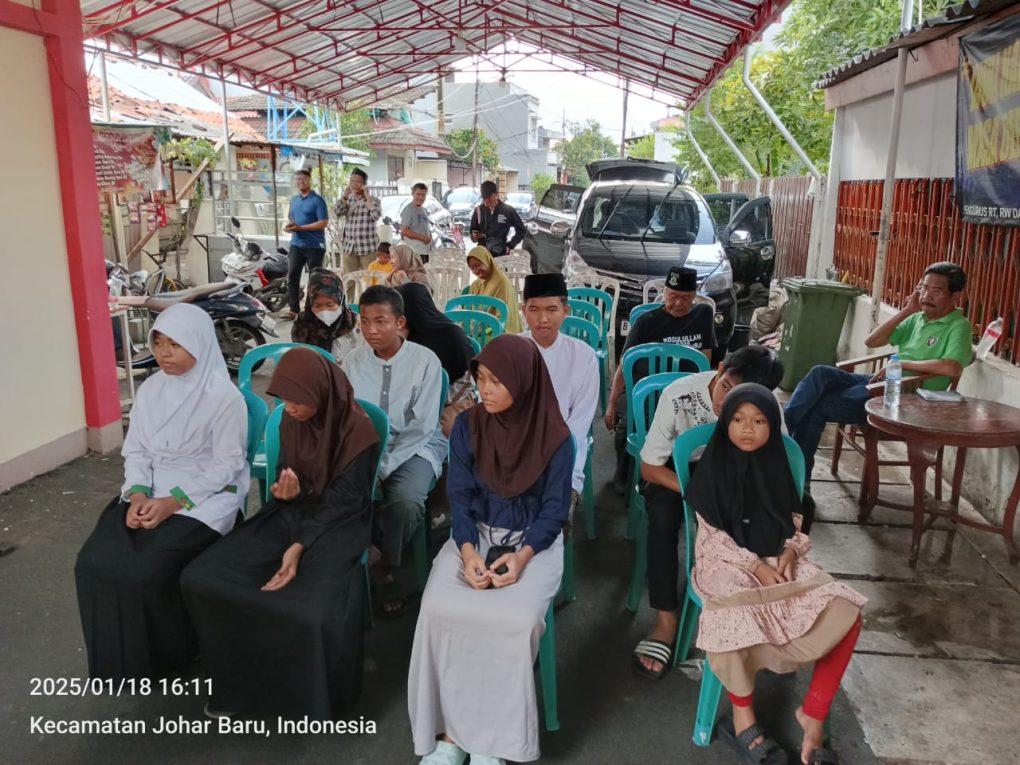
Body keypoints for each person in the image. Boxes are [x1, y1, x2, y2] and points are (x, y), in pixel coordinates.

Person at [181, 348, 380, 720]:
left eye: (297, 400)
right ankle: (237, 683)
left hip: (339, 522)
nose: (289, 408)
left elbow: (344, 501)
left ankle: (306, 700)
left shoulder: (359, 432)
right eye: (284, 399)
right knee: (203, 577)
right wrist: (288, 490)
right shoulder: (291, 418)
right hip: (292, 513)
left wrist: (298, 546)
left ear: (321, 391)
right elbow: (292, 476)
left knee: (311, 607)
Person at [408, 335, 572, 765]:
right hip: (475, 533)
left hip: (535, 542)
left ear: (524, 381)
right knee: (439, 608)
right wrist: (467, 552)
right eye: (480, 378)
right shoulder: (468, 426)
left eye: (497, 381)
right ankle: (448, 735)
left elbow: (555, 511)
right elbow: (460, 497)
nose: (485, 389)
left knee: (514, 620)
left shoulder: (555, 437)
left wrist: (522, 557)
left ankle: (490, 741)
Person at [686, 384, 866, 765]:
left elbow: (793, 522)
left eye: (758, 421)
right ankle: (742, 717)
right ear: (725, 422)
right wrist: (756, 567)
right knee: (732, 615)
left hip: (776, 555)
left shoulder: (777, 467)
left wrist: (789, 551)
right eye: (738, 419)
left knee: (843, 608)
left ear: (772, 426)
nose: (747, 428)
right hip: (727, 561)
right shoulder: (713, 466)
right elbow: (711, 537)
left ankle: (813, 714)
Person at [74, 304, 248, 680]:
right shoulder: (152, 389)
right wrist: (138, 495)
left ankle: (167, 658)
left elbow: (227, 465)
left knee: (143, 571)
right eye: (159, 343)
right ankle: (117, 662)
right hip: (151, 489)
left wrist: (173, 503)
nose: (164, 353)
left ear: (199, 344)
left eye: (175, 344)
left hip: (205, 497)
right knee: (92, 562)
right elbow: (137, 449)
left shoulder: (223, 398)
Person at [632, 346, 784, 679]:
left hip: (731, 475)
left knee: (771, 516)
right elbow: (649, 469)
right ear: (720, 367)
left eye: (740, 397)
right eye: (726, 385)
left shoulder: (768, 409)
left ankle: (746, 613)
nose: (725, 401)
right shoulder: (678, 396)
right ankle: (665, 621)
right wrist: (703, 496)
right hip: (675, 472)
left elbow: (777, 466)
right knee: (663, 517)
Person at [785, 261, 972, 522]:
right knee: (820, 373)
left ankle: (797, 480)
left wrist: (904, 363)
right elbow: (872, 341)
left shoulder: (958, 326)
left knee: (816, 408)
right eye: (924, 288)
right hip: (882, 383)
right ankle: (787, 427)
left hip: (905, 398)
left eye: (937, 291)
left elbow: (951, 367)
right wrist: (907, 310)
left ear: (954, 296)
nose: (927, 295)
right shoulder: (917, 318)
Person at [343, 285, 447, 616]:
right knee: (337, 490)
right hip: (367, 444)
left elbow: (423, 425)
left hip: (417, 445)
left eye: (381, 321)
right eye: (364, 321)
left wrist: (383, 466)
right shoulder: (353, 361)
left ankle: (387, 564)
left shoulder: (425, 361)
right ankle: (352, 560)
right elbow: (347, 416)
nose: (371, 330)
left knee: (405, 499)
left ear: (400, 322)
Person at [604, 266, 716, 492]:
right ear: (664, 292)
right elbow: (625, 365)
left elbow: (705, 362)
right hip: (646, 394)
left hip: (685, 395)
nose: (678, 303)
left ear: (695, 296)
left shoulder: (703, 315)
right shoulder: (646, 322)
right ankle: (623, 474)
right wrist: (612, 403)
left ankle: (680, 476)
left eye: (686, 298)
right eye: (673, 296)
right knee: (628, 426)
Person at [520, 272, 600, 518]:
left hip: (564, 454)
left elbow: (580, 422)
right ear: (523, 311)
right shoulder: (508, 351)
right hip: (514, 452)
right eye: (534, 310)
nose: (543, 319)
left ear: (565, 311)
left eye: (552, 309)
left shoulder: (583, 356)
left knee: (549, 516)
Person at [396, 282, 476, 436]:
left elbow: (466, 382)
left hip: (453, 400)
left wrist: (433, 404)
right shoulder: (407, 335)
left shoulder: (452, 335)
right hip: (413, 402)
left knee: (442, 430)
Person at [281, 168, 329, 319]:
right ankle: (294, 310)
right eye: (298, 179)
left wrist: (301, 228)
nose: (301, 182)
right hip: (296, 244)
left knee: (314, 280)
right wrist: (290, 227)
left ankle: (312, 311)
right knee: (292, 276)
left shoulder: (317, 200)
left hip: (315, 246)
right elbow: (292, 219)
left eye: (304, 179)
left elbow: (323, 222)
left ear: (310, 180)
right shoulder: (294, 200)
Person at [290, 267, 361, 363]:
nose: (324, 310)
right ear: (310, 304)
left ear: (340, 301)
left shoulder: (355, 323)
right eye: (317, 306)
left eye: (330, 305)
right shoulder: (302, 324)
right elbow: (299, 356)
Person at [466, 245, 522, 333]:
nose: (475, 270)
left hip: (498, 331)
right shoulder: (476, 285)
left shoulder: (502, 283)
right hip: (476, 332)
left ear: (487, 261)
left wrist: (480, 332)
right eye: (472, 268)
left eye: (477, 265)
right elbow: (469, 313)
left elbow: (502, 319)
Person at [336, 167, 381, 274]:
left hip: (367, 247)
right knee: (349, 279)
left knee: (369, 278)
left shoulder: (374, 200)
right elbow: (338, 213)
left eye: (358, 182)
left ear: (364, 184)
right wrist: (345, 197)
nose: (354, 184)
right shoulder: (347, 199)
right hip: (349, 247)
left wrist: (367, 197)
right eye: (352, 181)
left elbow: (376, 215)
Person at [469, 180, 526, 258]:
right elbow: (472, 236)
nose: (486, 201)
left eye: (489, 197)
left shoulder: (507, 210)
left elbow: (522, 230)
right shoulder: (478, 210)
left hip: (501, 253)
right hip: (482, 255)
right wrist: (474, 236)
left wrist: (510, 245)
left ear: (496, 194)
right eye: (484, 198)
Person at [400, 182, 434, 258]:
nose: (421, 197)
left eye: (423, 195)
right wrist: (422, 238)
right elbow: (404, 230)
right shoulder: (408, 210)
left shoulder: (424, 209)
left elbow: (424, 227)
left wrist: (430, 238)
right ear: (413, 193)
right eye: (418, 194)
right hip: (414, 252)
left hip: (425, 251)